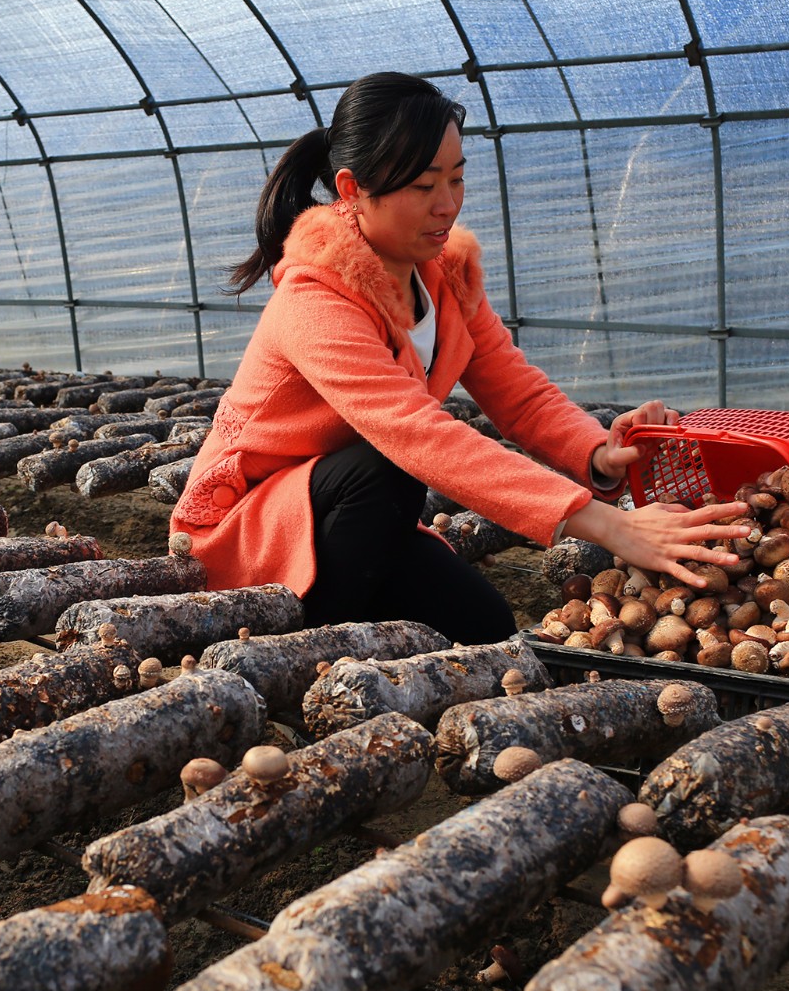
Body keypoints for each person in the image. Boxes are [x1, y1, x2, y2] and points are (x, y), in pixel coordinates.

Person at [168, 72, 750, 644]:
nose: (446, 205)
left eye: (457, 179)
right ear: (351, 190)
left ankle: (351, 618)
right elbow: (416, 433)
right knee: (392, 466)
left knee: (483, 627)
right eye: (423, 187)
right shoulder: (313, 299)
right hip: (253, 523)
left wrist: (597, 452)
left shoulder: (446, 275)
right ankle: (303, 646)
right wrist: (613, 527)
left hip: (355, 513)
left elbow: (516, 390)